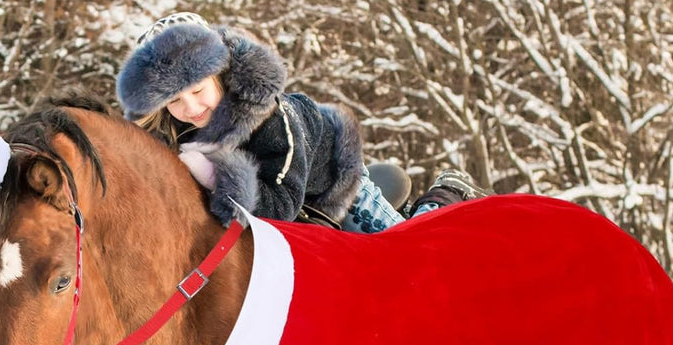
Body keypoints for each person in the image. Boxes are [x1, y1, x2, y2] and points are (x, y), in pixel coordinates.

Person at [116, 12, 484, 230]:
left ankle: (444, 197)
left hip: (333, 190)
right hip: (278, 207)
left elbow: (281, 208)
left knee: (405, 256)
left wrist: (217, 176)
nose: (191, 107)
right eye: (174, 101)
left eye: (197, 90)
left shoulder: (271, 116)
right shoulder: (175, 132)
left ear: (220, 74)